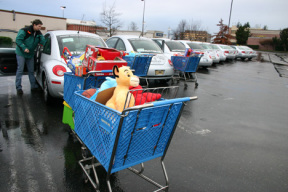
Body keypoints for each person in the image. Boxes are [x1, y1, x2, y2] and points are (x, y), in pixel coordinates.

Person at [15, 19, 46, 95]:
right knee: (20, 70)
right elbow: (18, 40)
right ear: (34, 25)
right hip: (21, 53)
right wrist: (24, 47)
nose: (40, 28)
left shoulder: (38, 33)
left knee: (31, 71)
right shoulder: (24, 31)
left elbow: (43, 42)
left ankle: (33, 86)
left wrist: (41, 35)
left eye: (40, 26)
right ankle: (18, 87)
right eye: (39, 26)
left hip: (30, 54)